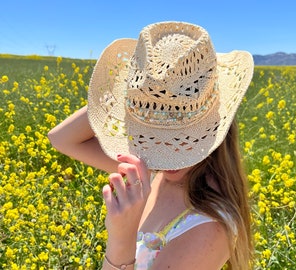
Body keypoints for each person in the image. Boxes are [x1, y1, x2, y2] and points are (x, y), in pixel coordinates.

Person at [48, 21, 254, 270]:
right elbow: (61, 139)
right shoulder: (158, 171)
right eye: (154, 135)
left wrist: (121, 240)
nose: (166, 152)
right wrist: (131, 94)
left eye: (181, 138)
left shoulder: (210, 228)